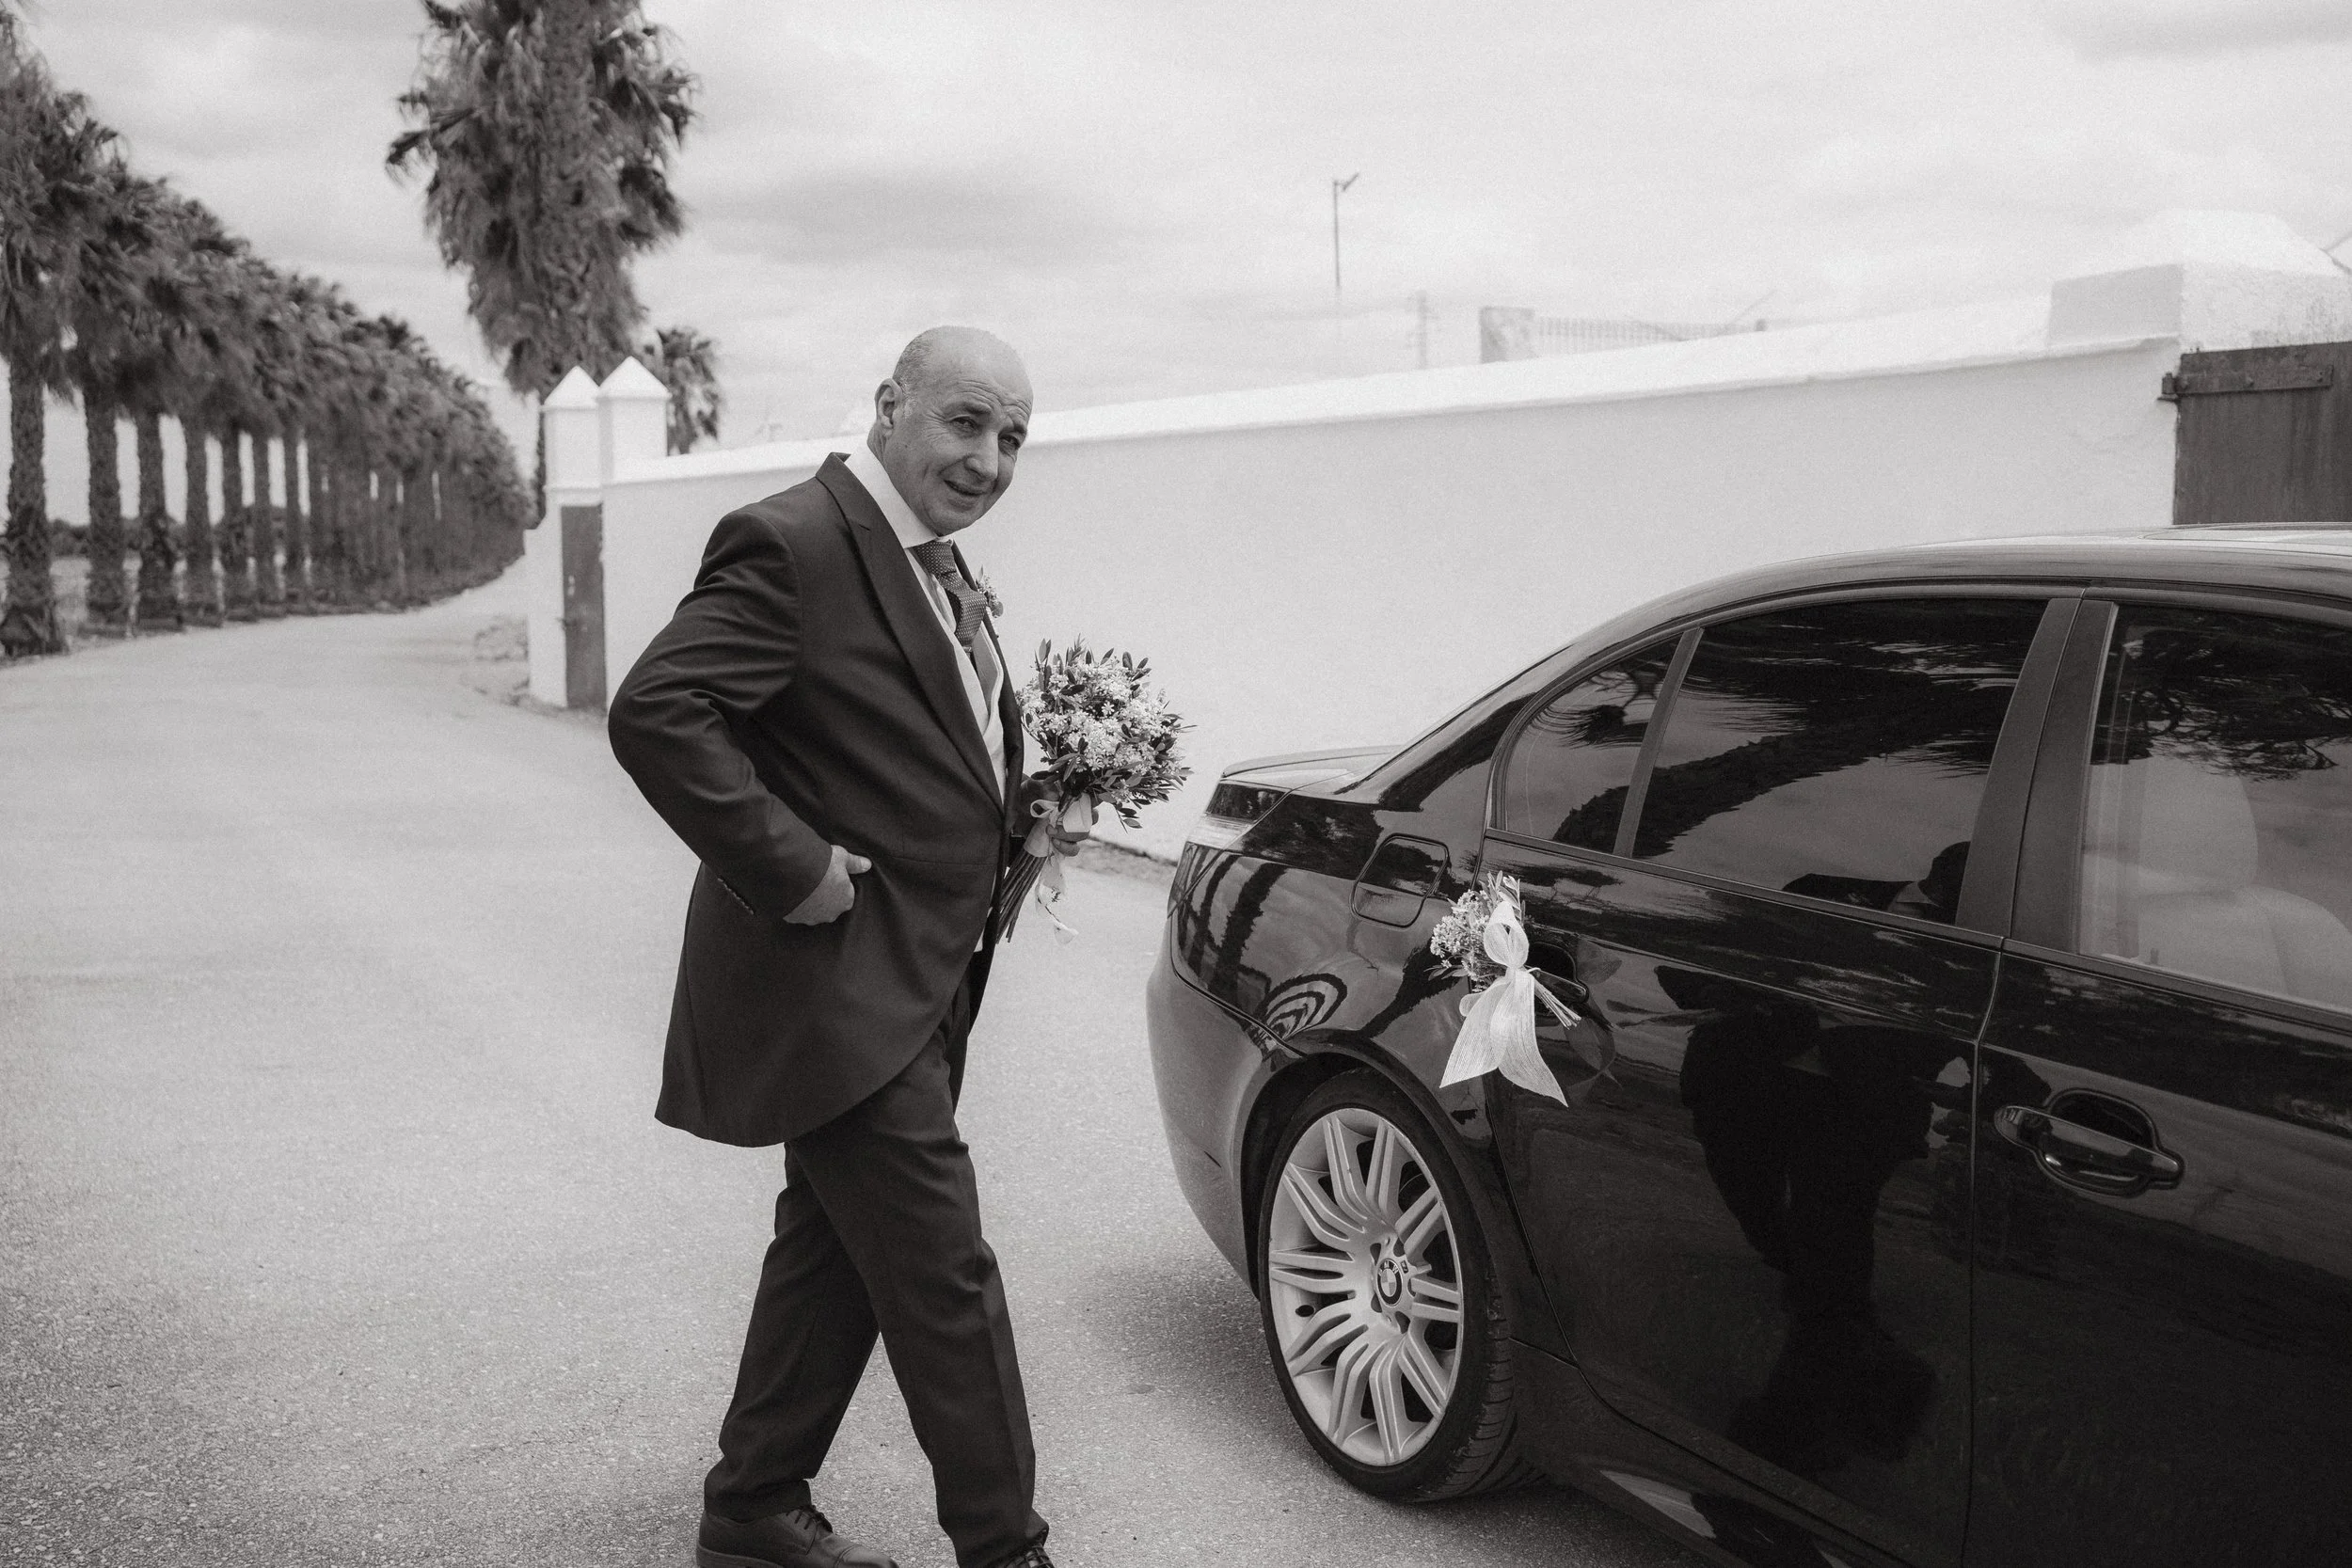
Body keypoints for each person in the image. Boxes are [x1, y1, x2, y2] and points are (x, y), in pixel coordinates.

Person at [608, 326, 1077, 1568]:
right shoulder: (796, 540)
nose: (989, 459)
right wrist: (793, 863)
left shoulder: (930, 560)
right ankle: (1004, 1544)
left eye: (1013, 437)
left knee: (833, 1254)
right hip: (833, 986)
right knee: (940, 1272)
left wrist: (1019, 808)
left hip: (920, 980)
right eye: (966, 422)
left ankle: (753, 1504)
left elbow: (917, 741)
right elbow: (660, 708)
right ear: (890, 405)